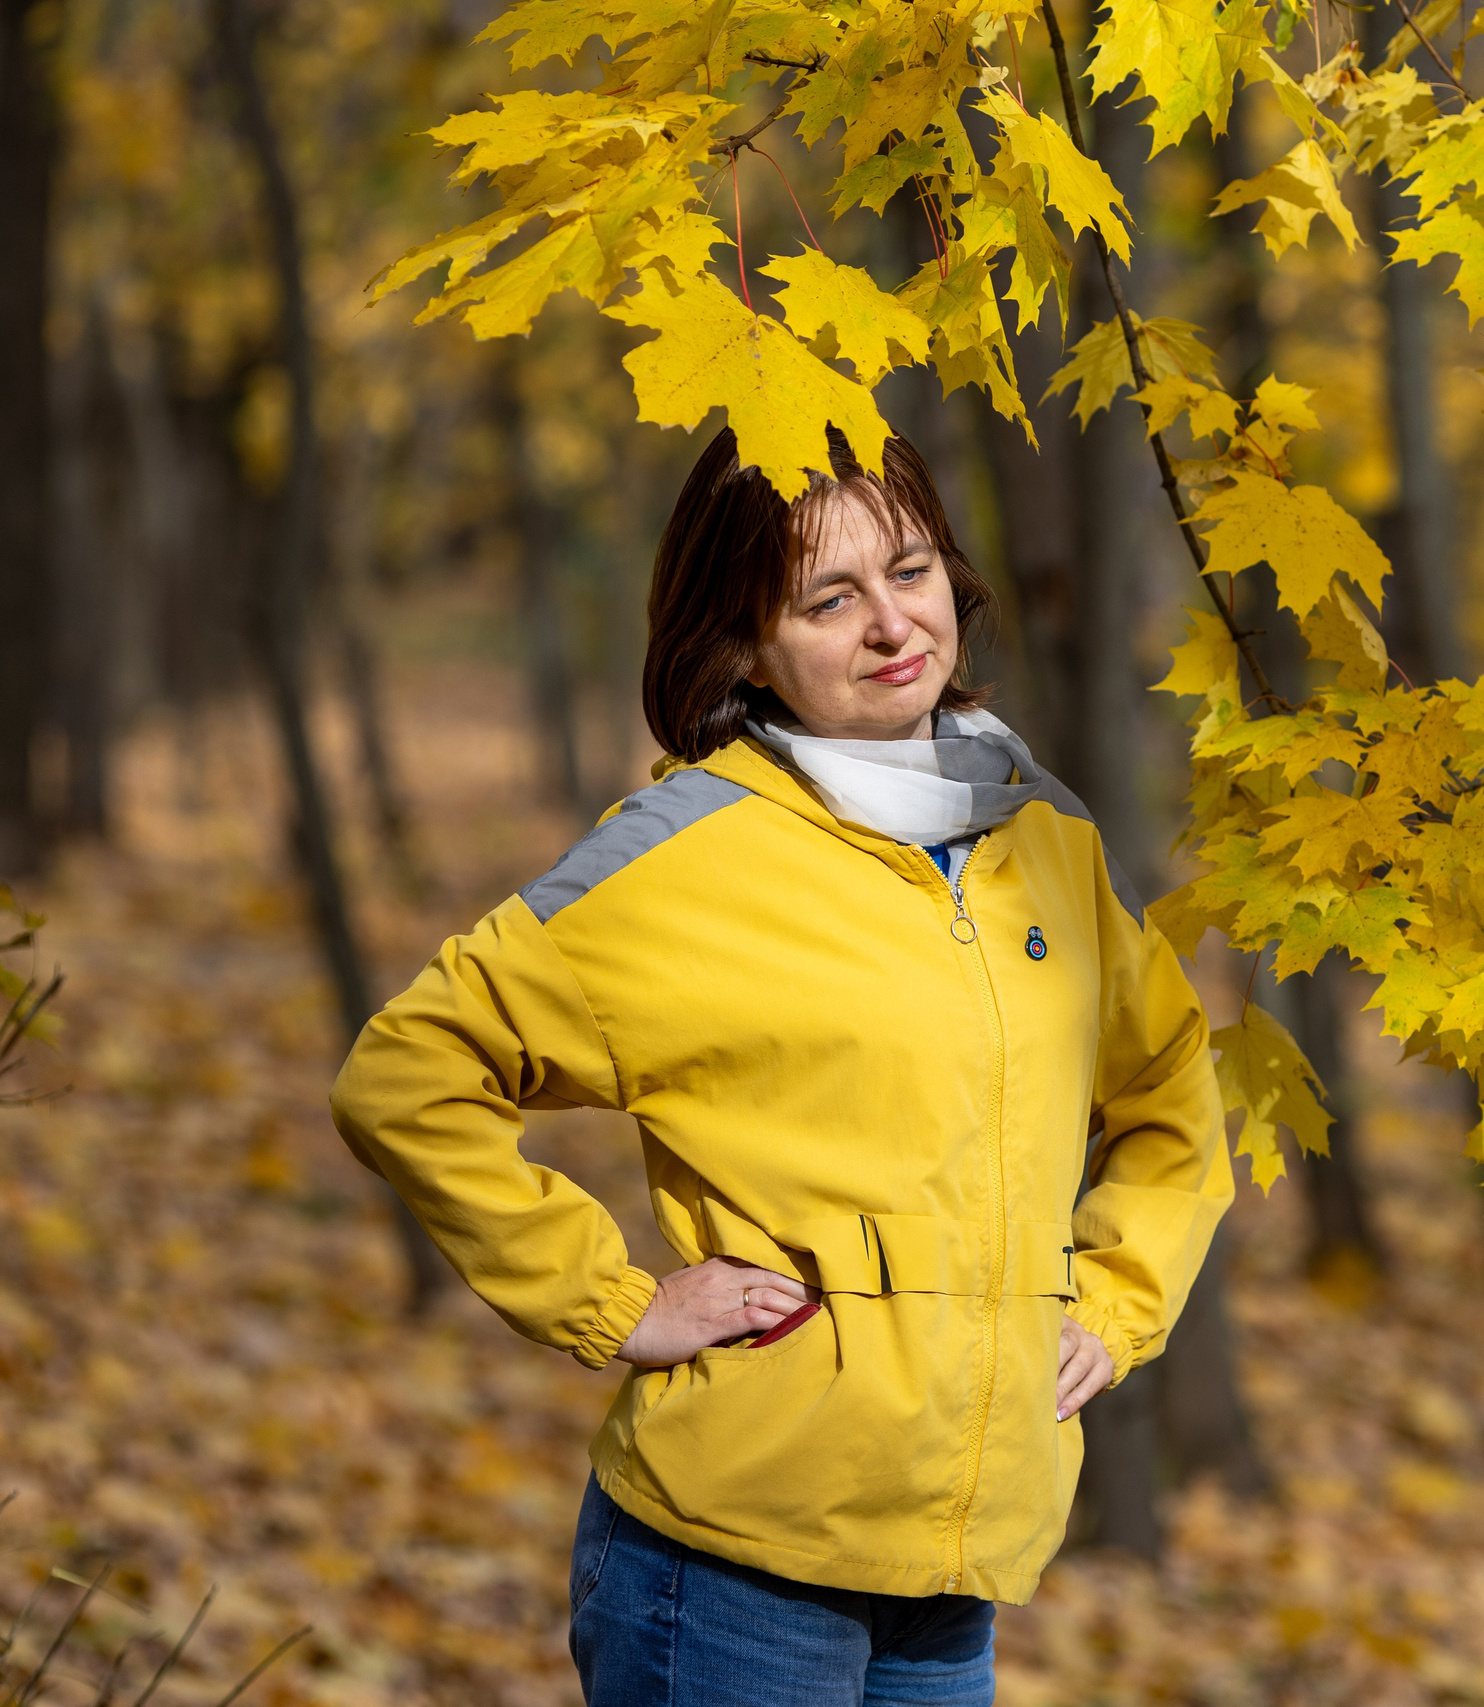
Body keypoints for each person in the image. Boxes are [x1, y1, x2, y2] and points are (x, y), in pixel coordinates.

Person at [330, 425, 1233, 1706]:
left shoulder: (1041, 837)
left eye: (910, 571)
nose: (891, 626)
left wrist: (1117, 1302)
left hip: (949, 1582)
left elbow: (1171, 1092)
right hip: (731, 1578)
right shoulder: (680, 855)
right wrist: (613, 1304)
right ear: (743, 643)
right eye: (829, 598)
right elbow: (407, 1073)